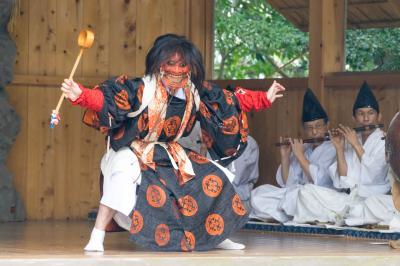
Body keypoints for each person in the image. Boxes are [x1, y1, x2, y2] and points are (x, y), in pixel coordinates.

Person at [60, 34, 285, 252]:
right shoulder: (141, 88)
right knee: (121, 174)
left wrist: (265, 98)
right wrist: (81, 95)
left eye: (182, 64)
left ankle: (218, 236)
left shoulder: (194, 92)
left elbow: (228, 100)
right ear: (159, 64)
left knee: (215, 176)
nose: (177, 70)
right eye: (171, 63)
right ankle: (97, 235)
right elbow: (109, 99)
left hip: (169, 151)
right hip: (133, 147)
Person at [293, 82, 390, 225]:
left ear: (379, 117)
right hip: (349, 200)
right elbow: (342, 181)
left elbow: (374, 174)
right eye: (361, 114)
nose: (366, 119)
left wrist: (356, 145)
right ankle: (344, 217)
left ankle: (342, 217)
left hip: (373, 197)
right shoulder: (349, 141)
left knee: (371, 205)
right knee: (306, 192)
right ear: (354, 118)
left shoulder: (385, 141)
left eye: (370, 113)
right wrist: (339, 148)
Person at [250, 89, 336, 222]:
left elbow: (321, 180)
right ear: (303, 129)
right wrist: (285, 156)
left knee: (304, 194)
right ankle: (291, 215)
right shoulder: (303, 148)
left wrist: (300, 156)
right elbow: (287, 184)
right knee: (259, 194)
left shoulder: (334, 148)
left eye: (318, 126)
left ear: (327, 126)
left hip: (321, 197)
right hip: (297, 196)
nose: (314, 132)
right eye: (309, 128)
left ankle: (288, 214)